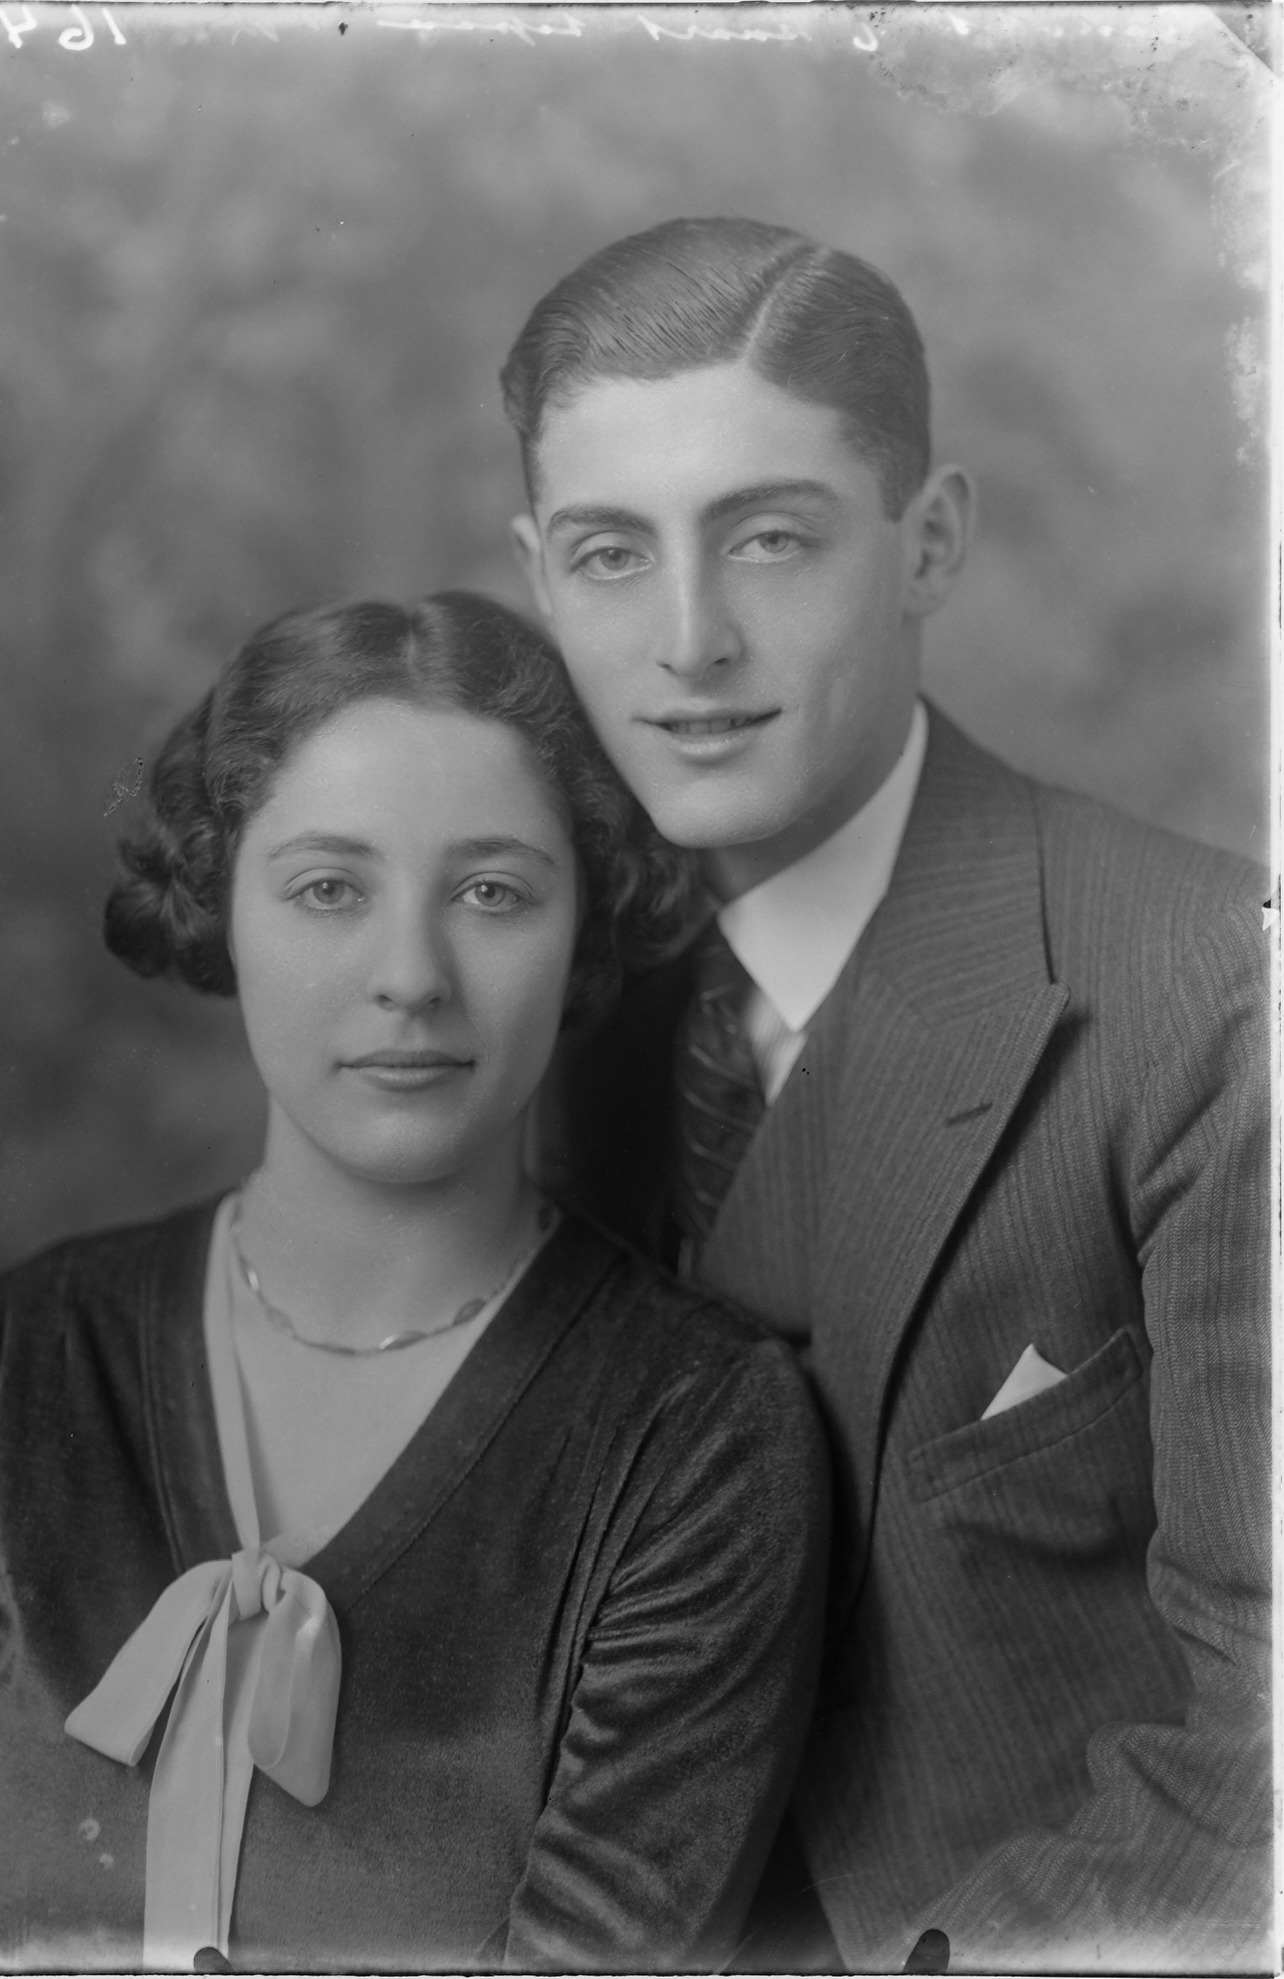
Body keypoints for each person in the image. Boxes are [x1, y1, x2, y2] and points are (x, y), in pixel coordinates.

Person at [0, 591, 832, 1975]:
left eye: (492, 893)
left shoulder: (698, 1438)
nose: (410, 977)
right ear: (223, 909)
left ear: (585, 926)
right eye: (327, 890)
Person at [502, 218, 1271, 1974]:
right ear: (538, 576)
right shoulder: (533, 993)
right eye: (612, 554)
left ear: (930, 542)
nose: (690, 641)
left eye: (770, 538)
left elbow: (1264, 1758)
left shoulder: (1212, 992)